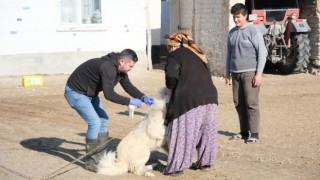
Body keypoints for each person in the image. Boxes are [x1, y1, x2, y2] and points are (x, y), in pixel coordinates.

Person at [64, 49, 154, 172]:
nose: (131, 68)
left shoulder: (120, 70)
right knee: (95, 122)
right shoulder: (108, 67)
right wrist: (129, 101)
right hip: (76, 92)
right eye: (130, 66)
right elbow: (109, 94)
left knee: (104, 120)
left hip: (90, 93)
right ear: (122, 61)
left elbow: (128, 86)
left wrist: (143, 97)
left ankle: (100, 157)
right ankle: (91, 161)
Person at [163, 33, 219, 176]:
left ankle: (177, 168)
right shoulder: (198, 53)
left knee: (183, 132)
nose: (168, 49)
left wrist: (169, 92)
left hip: (189, 99)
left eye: (169, 47)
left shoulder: (174, 55)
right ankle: (205, 163)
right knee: (207, 132)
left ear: (172, 46)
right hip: (211, 98)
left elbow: (171, 76)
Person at [225, 3, 267, 143]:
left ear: (245, 16)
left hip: (250, 73)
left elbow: (262, 52)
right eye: (234, 17)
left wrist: (259, 74)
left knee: (251, 103)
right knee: (238, 103)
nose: (235, 20)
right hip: (235, 74)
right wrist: (227, 73)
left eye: (238, 17)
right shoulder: (232, 33)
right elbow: (229, 54)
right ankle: (243, 132)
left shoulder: (253, 31)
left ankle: (254, 133)